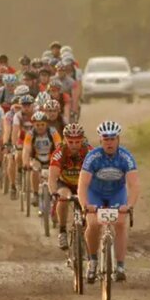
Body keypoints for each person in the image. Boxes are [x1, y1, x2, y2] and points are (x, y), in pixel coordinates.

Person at [78, 121, 139, 283]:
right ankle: (92, 261)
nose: (109, 143)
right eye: (106, 139)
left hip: (116, 194)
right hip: (95, 193)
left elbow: (134, 185)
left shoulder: (126, 157)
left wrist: (129, 205)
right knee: (93, 224)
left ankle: (120, 265)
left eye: (112, 139)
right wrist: (85, 205)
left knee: (120, 223)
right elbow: (83, 184)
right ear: (100, 141)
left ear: (118, 140)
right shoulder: (93, 157)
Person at [49, 123, 92, 249]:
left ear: (82, 140)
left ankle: (86, 229)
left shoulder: (89, 152)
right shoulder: (59, 153)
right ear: (65, 140)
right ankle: (62, 231)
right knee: (63, 197)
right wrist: (53, 193)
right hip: (65, 183)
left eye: (77, 142)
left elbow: (98, 173)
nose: (74, 145)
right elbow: (52, 177)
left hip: (84, 184)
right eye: (70, 142)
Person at [22, 111, 61, 208]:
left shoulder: (53, 132)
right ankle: (35, 193)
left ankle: (55, 194)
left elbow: (59, 147)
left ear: (46, 124)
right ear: (33, 125)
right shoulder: (30, 134)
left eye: (42, 124)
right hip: (37, 158)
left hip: (51, 158)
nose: (40, 127)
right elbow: (26, 149)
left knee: (56, 175)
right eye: (37, 125)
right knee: (34, 170)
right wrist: (25, 162)